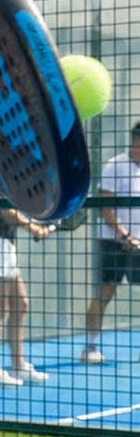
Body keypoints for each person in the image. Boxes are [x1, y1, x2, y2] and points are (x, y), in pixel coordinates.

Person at [0, 199, 51, 386]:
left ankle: (19, 366)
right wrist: (34, 228)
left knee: (21, 303)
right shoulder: (1, 172)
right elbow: (6, 212)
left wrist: (34, 224)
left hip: (4, 240)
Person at [79, 122, 140, 364]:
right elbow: (105, 208)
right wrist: (125, 236)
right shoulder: (116, 165)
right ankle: (90, 347)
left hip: (137, 245)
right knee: (105, 292)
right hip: (112, 243)